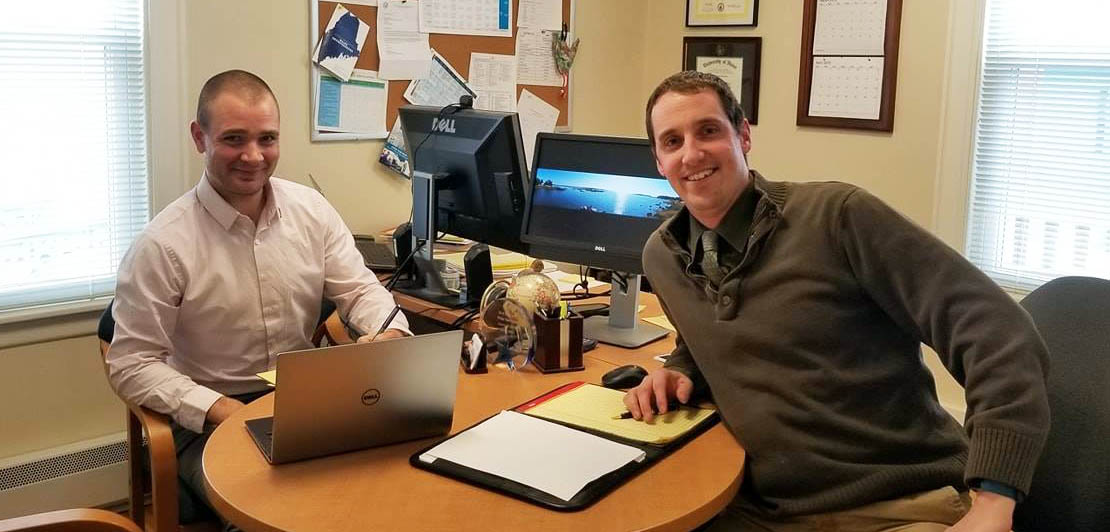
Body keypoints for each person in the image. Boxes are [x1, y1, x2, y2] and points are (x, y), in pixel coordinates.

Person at [625, 71, 1050, 531]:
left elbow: (1000, 334)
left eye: (708, 130)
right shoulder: (662, 257)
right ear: (658, 161)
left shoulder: (837, 218)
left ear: (743, 135)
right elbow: (708, 335)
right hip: (763, 508)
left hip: (900, 503)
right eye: (672, 141)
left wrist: (993, 499)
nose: (692, 153)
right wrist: (680, 371)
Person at [105, 70, 409, 523]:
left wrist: (387, 335)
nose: (253, 156)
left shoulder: (311, 212)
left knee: (397, 489)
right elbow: (131, 364)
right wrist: (221, 410)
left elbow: (361, 290)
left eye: (267, 138)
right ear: (199, 137)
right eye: (233, 139)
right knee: (278, 514)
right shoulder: (163, 244)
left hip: (306, 403)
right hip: (210, 416)